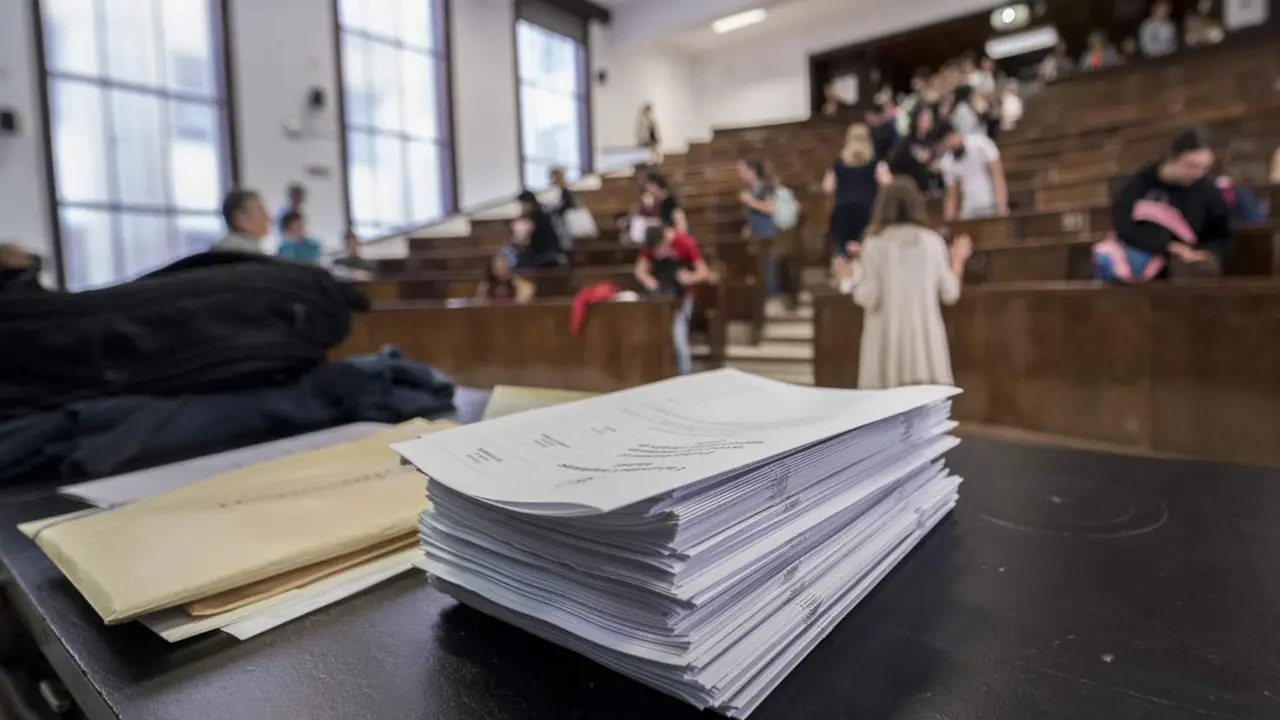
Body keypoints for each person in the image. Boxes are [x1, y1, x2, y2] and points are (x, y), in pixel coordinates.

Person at [846, 178, 972, 389]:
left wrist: (851, 277)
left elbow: (869, 297)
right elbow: (950, 293)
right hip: (925, 343)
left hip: (887, 342)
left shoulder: (874, 245)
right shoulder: (933, 242)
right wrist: (957, 261)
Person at [1096, 127, 1233, 282]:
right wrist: (1165, 246)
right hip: (1142, 251)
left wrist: (1203, 253)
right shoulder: (1139, 184)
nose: (1197, 173)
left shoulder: (1208, 190)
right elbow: (1124, 226)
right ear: (1172, 157)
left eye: (1204, 168)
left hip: (1185, 263)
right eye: (1191, 165)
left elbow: (1222, 235)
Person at [634, 225, 710, 376]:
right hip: (660, 295)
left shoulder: (685, 243)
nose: (656, 253)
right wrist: (649, 281)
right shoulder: (651, 242)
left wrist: (690, 277)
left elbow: (704, 272)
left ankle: (685, 373)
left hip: (683, 296)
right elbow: (640, 270)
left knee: (678, 337)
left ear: (666, 239)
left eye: (659, 248)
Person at [823, 124, 881, 279]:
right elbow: (887, 182)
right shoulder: (874, 162)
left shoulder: (839, 162)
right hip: (868, 210)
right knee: (866, 247)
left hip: (843, 210)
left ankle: (844, 283)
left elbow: (827, 187)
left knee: (843, 249)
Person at [940, 126, 1008, 221]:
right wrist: (949, 221)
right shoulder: (947, 163)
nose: (951, 143)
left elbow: (997, 175)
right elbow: (952, 195)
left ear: (958, 134)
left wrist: (1001, 206)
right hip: (968, 208)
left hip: (990, 202)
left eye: (952, 138)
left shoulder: (981, 143)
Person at [888, 106, 943, 193]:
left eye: (929, 118)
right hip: (909, 187)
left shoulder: (934, 142)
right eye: (923, 117)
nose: (926, 121)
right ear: (916, 118)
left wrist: (934, 165)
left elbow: (936, 163)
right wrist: (913, 155)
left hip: (928, 188)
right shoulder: (906, 141)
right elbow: (894, 162)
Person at [515, 190, 564, 268]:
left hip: (544, 257)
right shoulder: (543, 212)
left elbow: (524, 240)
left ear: (529, 203)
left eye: (523, 204)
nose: (522, 208)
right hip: (553, 253)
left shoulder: (534, 216)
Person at [213, 188, 270, 253]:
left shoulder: (214, 252)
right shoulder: (251, 255)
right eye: (261, 211)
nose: (268, 218)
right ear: (241, 219)